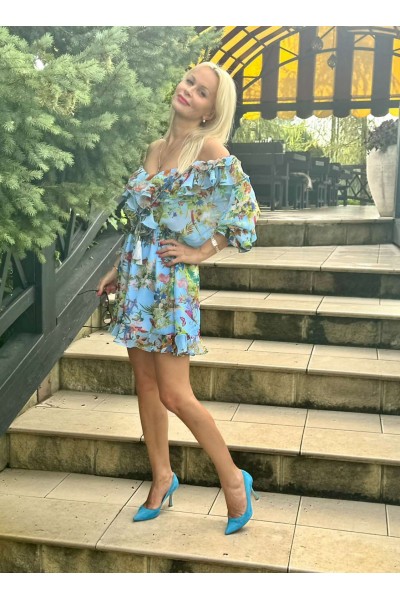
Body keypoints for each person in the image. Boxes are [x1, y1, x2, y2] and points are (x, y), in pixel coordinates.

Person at [96, 61, 260, 535]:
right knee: (146, 386)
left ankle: (234, 480)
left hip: (170, 283)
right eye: (190, 81)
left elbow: (245, 212)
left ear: (210, 111)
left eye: (202, 91)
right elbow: (141, 222)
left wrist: (200, 251)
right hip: (136, 277)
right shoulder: (154, 148)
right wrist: (117, 269)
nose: (189, 90)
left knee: (174, 393)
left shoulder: (208, 148)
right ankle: (162, 477)